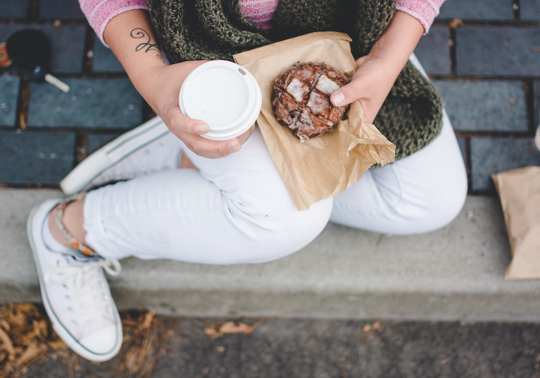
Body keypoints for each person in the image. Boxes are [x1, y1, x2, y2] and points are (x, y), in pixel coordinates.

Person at [27, 0, 466, 361]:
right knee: (290, 219)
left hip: (345, 38)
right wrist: (153, 79)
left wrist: (391, 53)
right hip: (213, 62)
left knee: (432, 201)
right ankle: (68, 233)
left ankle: (190, 161)